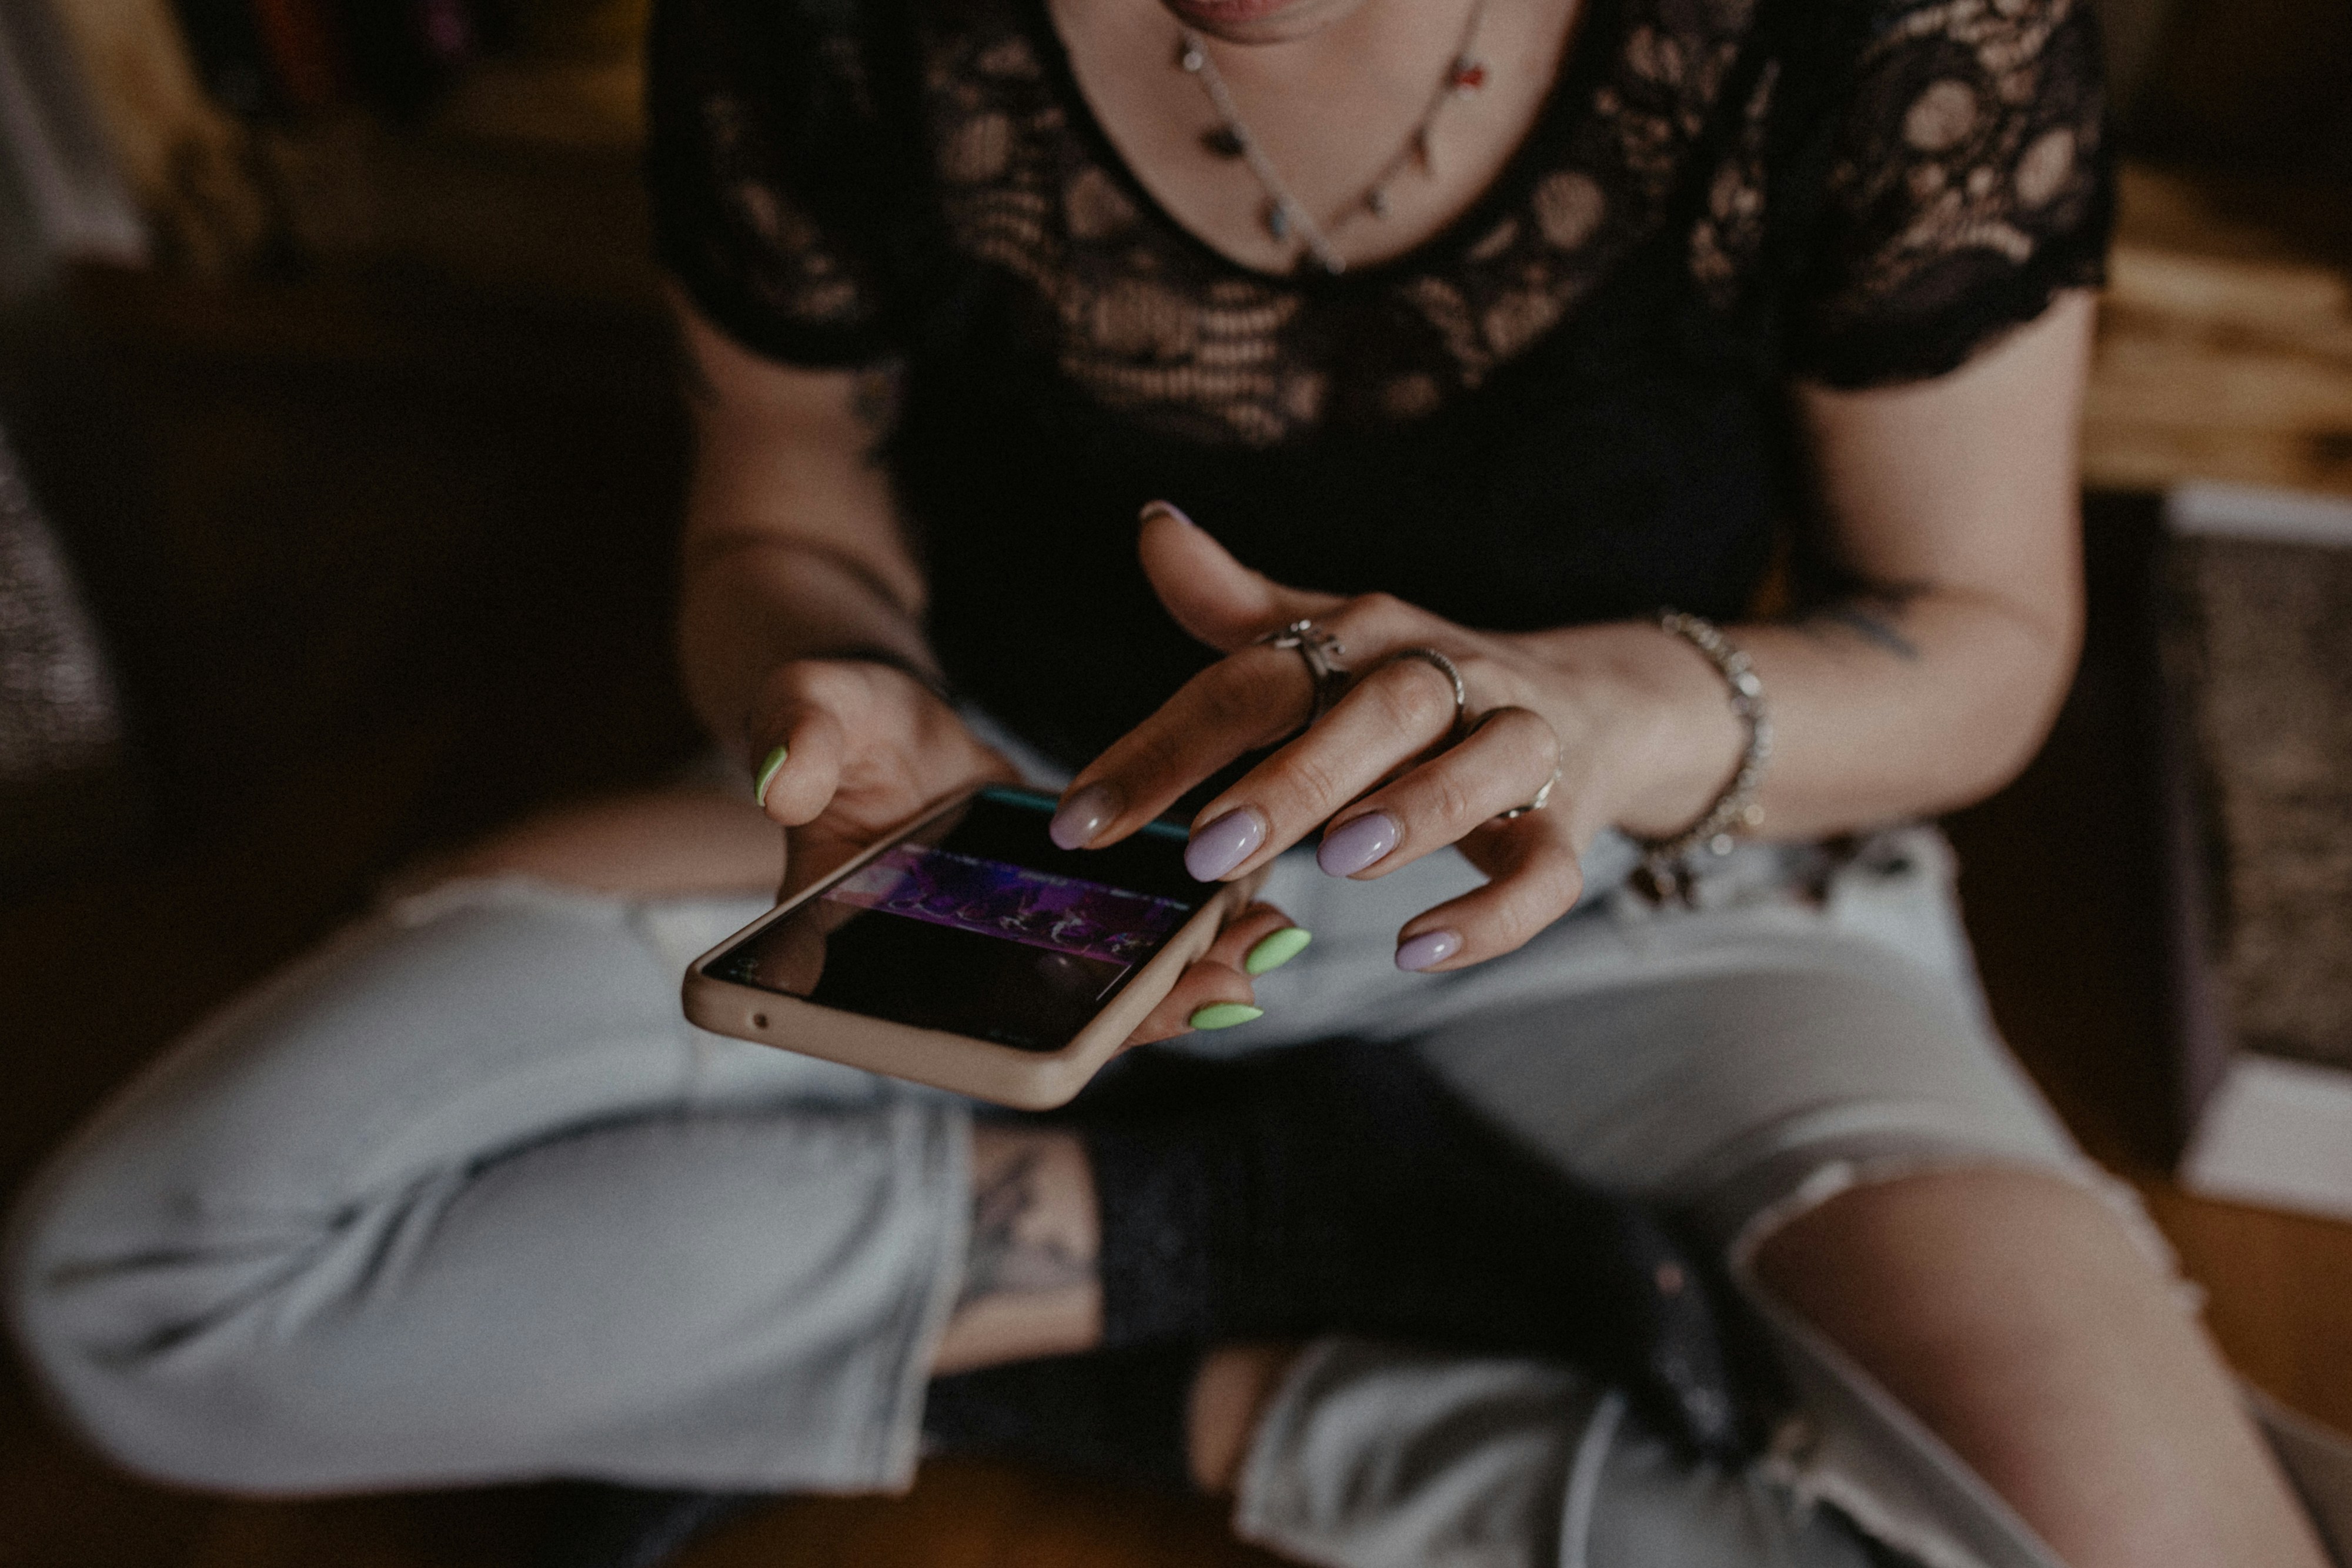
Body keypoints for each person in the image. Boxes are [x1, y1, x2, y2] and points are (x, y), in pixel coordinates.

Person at [6, 0, 2341, 1563]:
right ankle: (1265, 1221)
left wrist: (1604, 717)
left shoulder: (1893, 31)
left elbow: (1977, 641)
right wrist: (840, 692)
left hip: (1630, 884)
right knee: (153, 1286)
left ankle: (1201, 1369)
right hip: (1041, 850)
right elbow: (777, 501)